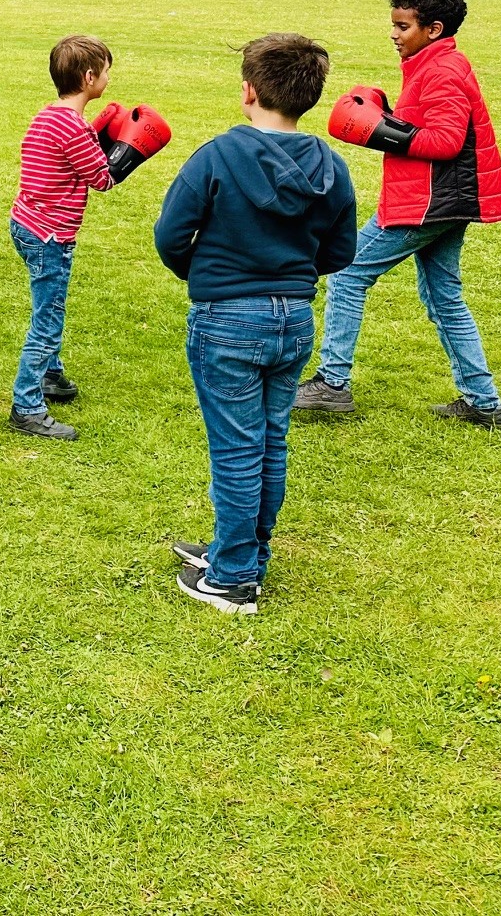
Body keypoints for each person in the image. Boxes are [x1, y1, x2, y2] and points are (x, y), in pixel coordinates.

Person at [154, 34, 358, 615]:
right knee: (268, 441)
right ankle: (240, 550)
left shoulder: (215, 157)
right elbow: (339, 250)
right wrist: (289, 274)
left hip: (228, 322)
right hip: (293, 320)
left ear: (247, 90)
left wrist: (213, 275)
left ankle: (235, 576)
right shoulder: (333, 167)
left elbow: (171, 236)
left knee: (239, 448)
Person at [295, 0, 501, 428]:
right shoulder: (435, 62)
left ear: (433, 29)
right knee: (444, 298)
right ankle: (485, 404)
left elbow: (447, 141)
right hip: (445, 198)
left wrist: (378, 129)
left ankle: (332, 385)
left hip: (429, 201)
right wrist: (391, 118)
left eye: (402, 26)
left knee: (350, 273)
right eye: (393, 24)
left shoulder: (442, 70)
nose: (393, 34)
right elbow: (431, 125)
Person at [6, 36, 118, 440]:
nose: (108, 77)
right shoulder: (74, 128)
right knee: (47, 321)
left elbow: (73, 158)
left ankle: (50, 375)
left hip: (26, 224)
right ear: (90, 78)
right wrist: (131, 148)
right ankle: (27, 406)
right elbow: (102, 178)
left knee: (47, 306)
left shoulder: (49, 115)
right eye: (106, 71)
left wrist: (98, 136)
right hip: (50, 235)